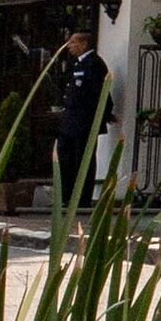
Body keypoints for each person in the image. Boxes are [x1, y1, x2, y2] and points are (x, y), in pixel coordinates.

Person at [45, 27, 111, 210]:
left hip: (84, 121)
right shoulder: (78, 64)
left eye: (73, 42)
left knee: (82, 159)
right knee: (65, 158)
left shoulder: (94, 64)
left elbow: (101, 93)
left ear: (84, 44)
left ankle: (81, 199)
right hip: (71, 121)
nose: (69, 46)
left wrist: (103, 117)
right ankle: (66, 196)